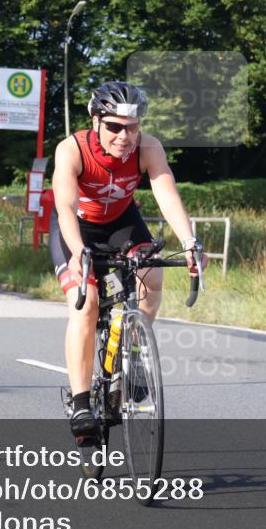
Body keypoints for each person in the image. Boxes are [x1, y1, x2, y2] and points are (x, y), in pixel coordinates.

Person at [50, 81, 207, 442]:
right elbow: (65, 207)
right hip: (77, 230)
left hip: (122, 224)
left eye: (132, 127)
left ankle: (133, 359)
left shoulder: (148, 147)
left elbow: (166, 193)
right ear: (96, 122)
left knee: (151, 276)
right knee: (86, 304)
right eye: (115, 127)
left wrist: (189, 242)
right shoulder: (71, 149)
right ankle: (80, 403)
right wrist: (78, 253)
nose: (125, 136)